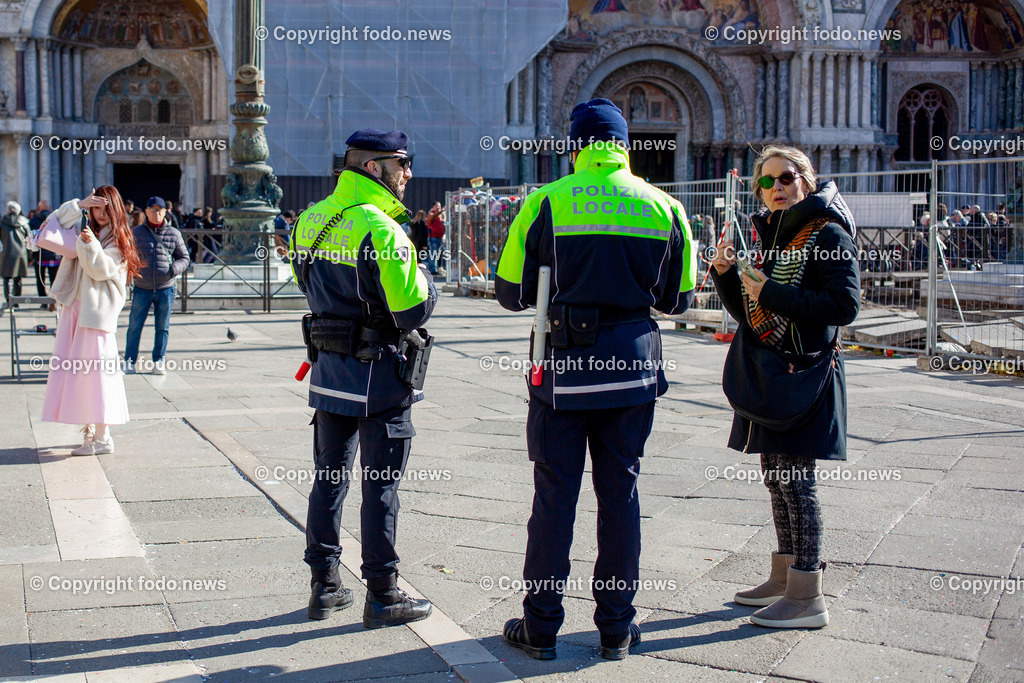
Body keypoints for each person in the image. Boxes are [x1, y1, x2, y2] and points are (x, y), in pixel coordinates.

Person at [495, 98, 697, 660]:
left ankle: (540, 629)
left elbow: (510, 294)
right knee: (621, 498)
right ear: (624, 147)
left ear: (576, 148)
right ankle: (615, 629)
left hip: (563, 372)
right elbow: (679, 299)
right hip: (632, 372)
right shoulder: (665, 207)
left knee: (554, 500)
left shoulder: (546, 201)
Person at [289, 128, 436, 628]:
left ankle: (324, 586)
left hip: (329, 371)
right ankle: (383, 592)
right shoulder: (383, 227)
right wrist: (428, 283)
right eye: (402, 163)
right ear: (375, 167)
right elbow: (412, 309)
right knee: (380, 485)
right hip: (380, 377)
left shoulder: (309, 219)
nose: (409, 173)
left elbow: (303, 281)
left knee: (328, 479)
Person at [710, 144, 859, 629]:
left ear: (807, 181)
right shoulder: (777, 237)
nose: (777, 188)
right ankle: (784, 578)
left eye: (787, 178)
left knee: (798, 483)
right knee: (777, 478)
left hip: (804, 374)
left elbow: (844, 306)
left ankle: (808, 595)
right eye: (768, 181)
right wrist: (727, 275)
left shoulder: (827, 233)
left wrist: (768, 290)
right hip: (774, 373)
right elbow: (752, 316)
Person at [36, 186, 143, 455]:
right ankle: (93, 435)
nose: (101, 213)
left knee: (95, 376)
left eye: (107, 208)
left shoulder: (118, 239)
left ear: (117, 209)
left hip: (95, 316)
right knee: (82, 376)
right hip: (78, 310)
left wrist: (89, 243)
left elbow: (99, 269)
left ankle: (102, 438)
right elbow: (52, 223)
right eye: (96, 207)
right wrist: (78, 205)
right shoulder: (91, 231)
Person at [124, 197, 189, 375]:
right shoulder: (136, 233)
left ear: (165, 212)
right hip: (142, 287)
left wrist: (173, 270)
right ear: (146, 212)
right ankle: (129, 361)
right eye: (152, 209)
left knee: (162, 327)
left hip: (165, 287)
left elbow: (185, 257)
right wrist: (133, 270)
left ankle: (158, 361)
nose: (156, 213)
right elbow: (126, 255)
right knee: (134, 326)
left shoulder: (174, 233)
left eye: (159, 210)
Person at [2, 201, 31, 306]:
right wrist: (30, 257)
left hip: (6, 253)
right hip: (21, 253)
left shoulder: (2, 222)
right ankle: (17, 301)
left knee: (7, 278)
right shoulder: (24, 223)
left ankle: (9, 301)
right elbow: (29, 241)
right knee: (18, 278)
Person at [426, 201, 445, 276]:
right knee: (433, 254)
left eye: (439, 206)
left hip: (438, 238)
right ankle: (432, 269)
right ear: (433, 207)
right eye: (437, 206)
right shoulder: (431, 214)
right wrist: (440, 211)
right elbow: (431, 217)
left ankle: (434, 268)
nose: (438, 207)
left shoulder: (439, 216)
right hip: (433, 237)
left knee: (436, 254)